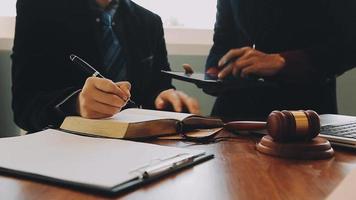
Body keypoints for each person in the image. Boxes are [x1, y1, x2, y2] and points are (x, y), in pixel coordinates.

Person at [12, 0, 200, 132]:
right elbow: (24, 106)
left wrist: (164, 98)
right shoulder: (37, 8)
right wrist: (76, 103)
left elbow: (158, 89)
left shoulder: (150, 22)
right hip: (66, 152)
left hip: (139, 152)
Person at [206, 0, 356, 120]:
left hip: (301, 120)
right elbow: (223, 41)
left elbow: (349, 45)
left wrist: (284, 61)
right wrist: (213, 73)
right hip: (232, 119)